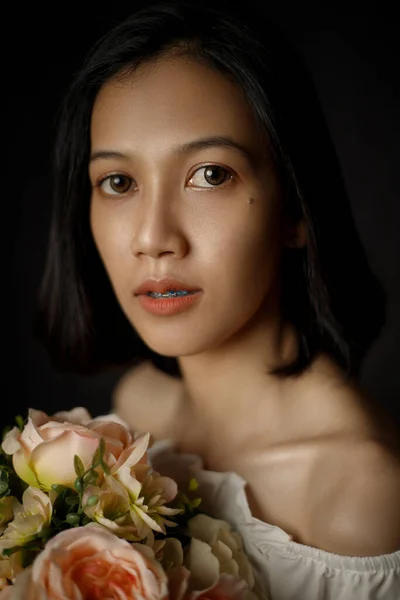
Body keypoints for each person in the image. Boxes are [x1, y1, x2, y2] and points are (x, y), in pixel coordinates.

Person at [35, 0, 400, 597]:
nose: (153, 238)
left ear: (297, 207)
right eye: (118, 182)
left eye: (210, 174)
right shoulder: (136, 414)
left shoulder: (359, 494)